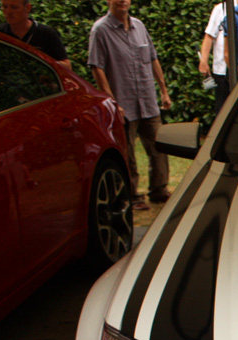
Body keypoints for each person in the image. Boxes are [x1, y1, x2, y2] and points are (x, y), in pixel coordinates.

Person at [89, 0, 172, 210]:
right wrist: (112, 101)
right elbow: (96, 67)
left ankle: (159, 189)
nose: (122, 1)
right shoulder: (100, 30)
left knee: (159, 146)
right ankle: (132, 196)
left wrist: (163, 90)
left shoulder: (139, 26)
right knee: (127, 153)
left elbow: (153, 58)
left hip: (147, 99)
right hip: (123, 103)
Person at [0, 0, 70, 68]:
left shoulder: (46, 33)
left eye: (14, 7)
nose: (8, 11)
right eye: (5, 7)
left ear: (27, 8)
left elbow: (67, 66)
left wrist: (43, 65)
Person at [199, 1, 238, 114]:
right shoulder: (220, 9)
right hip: (222, 71)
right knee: (222, 110)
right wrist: (203, 61)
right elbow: (209, 36)